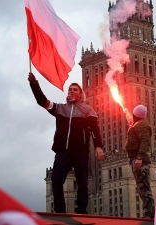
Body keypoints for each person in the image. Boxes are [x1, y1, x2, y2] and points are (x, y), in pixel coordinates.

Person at [28, 72, 104, 214]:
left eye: (75, 89)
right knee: (56, 181)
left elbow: (95, 129)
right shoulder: (60, 108)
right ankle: (60, 211)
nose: (71, 91)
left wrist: (98, 146)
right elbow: (42, 101)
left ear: (81, 94)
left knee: (82, 182)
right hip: (62, 151)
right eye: (70, 89)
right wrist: (34, 84)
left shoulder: (88, 110)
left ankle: (82, 211)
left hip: (80, 151)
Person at [124, 104, 154, 218]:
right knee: (142, 187)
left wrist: (139, 158)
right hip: (136, 158)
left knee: (144, 188)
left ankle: (149, 214)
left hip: (139, 160)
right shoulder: (139, 125)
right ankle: (151, 213)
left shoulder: (142, 125)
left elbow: (145, 141)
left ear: (135, 115)